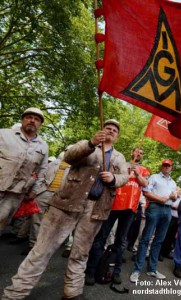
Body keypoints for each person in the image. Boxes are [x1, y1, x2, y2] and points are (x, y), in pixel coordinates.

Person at [1, 119, 128, 300]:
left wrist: (114, 179)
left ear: (117, 136)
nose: (111, 131)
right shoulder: (87, 144)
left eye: (115, 130)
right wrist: (91, 143)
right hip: (67, 203)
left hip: (95, 210)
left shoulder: (119, 157)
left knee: (81, 253)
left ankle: (72, 292)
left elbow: (124, 177)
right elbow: (69, 157)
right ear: (102, 130)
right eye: (108, 127)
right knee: (42, 250)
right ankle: (15, 293)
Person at [85, 147, 150, 285]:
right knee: (101, 237)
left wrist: (137, 174)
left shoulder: (144, 170)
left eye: (141, 153)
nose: (138, 154)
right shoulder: (121, 164)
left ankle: (116, 272)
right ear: (131, 152)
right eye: (136, 152)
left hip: (130, 208)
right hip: (113, 204)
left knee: (121, 241)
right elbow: (111, 178)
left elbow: (145, 184)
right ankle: (91, 271)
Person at [0, 107, 48, 235]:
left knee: (1, 222)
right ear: (22, 120)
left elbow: (42, 169)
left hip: (17, 192)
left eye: (36, 119)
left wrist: (34, 190)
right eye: (29, 117)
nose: (32, 121)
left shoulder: (43, 145)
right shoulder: (3, 134)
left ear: (40, 124)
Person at [130, 159, 178, 282]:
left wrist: (174, 197)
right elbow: (146, 192)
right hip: (154, 208)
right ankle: (137, 270)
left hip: (167, 211)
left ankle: (152, 269)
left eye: (169, 165)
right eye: (165, 165)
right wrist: (159, 199)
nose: (166, 167)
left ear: (171, 167)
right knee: (146, 239)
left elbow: (173, 200)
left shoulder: (173, 183)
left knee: (159, 241)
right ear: (162, 166)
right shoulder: (154, 177)